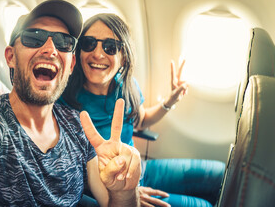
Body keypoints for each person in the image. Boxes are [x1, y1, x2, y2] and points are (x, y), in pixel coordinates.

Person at [0, 0, 142, 207]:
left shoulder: (78, 126)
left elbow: (113, 202)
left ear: (71, 64)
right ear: (11, 56)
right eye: (34, 37)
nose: (51, 50)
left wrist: (124, 190)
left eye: (63, 43)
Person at [59, 13, 225, 207]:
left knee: (220, 174)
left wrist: (170, 102)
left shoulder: (126, 86)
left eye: (110, 47)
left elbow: (141, 120)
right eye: (88, 44)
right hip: (105, 188)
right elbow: (66, 169)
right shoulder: (65, 98)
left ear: (123, 57)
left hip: (139, 170)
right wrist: (126, 192)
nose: (97, 53)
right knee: (202, 205)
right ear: (79, 52)